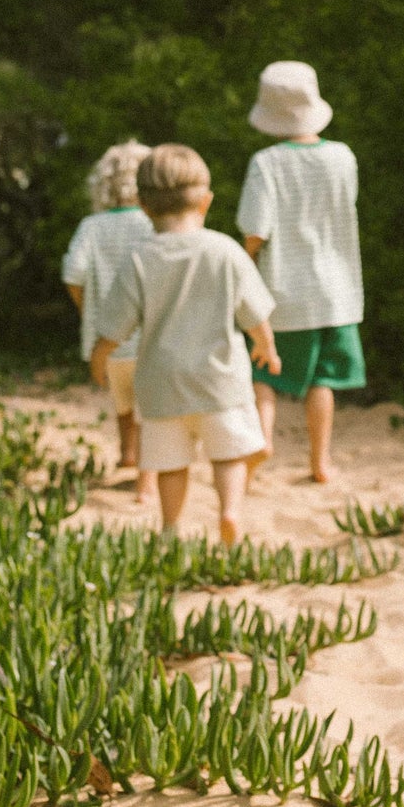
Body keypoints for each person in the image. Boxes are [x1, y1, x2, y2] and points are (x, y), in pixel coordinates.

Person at [90, 143, 280, 546]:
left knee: (171, 464)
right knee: (227, 456)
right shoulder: (225, 250)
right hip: (220, 381)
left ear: (144, 205)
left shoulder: (140, 258)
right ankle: (229, 512)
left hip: (162, 386)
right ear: (206, 201)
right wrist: (268, 348)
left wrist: (99, 357)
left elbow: (114, 326)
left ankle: (170, 528)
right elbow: (255, 314)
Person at [236, 60, 364, 485]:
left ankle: (262, 440)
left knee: (263, 371)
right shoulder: (343, 157)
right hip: (338, 289)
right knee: (322, 379)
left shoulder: (266, 163)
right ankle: (320, 463)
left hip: (284, 287)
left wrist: (244, 266)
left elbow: (256, 229)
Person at [61, 140, 156, 498]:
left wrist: (88, 310)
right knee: (149, 407)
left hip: (107, 339)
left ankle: (126, 456)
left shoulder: (92, 226)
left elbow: (74, 273)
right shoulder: (151, 222)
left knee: (122, 401)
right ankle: (146, 482)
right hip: (148, 334)